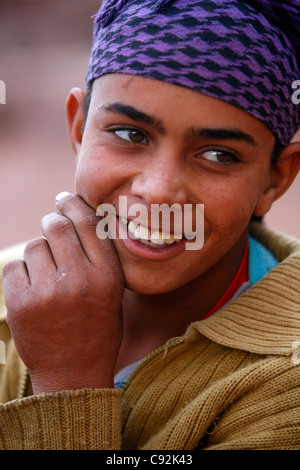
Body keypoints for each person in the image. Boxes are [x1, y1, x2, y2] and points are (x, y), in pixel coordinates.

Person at [0, 0, 300, 450]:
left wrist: (68, 379)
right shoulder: (8, 293)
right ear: (79, 129)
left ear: (275, 178)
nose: (159, 191)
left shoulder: (286, 384)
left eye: (218, 154)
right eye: (129, 134)